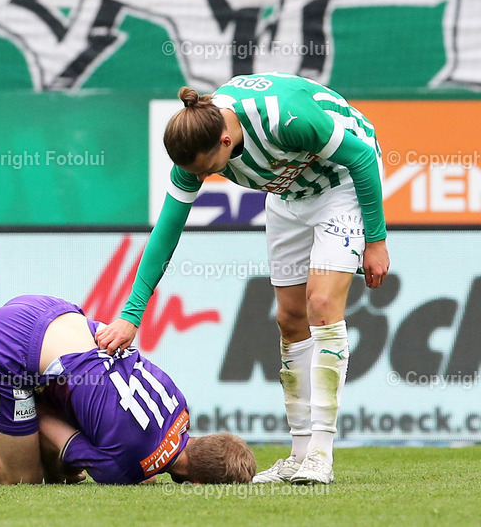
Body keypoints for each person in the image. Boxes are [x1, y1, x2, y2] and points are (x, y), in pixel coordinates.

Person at [95, 72, 390, 485]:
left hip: (342, 185)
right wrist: (131, 314)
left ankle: (321, 454)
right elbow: (166, 231)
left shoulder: (284, 118)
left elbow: (358, 156)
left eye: (209, 170)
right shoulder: (196, 149)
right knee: (289, 319)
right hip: (290, 197)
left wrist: (376, 239)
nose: (202, 177)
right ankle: (299, 454)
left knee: (321, 304)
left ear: (225, 142)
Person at [0, 295, 256, 486]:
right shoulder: (125, 467)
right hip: (9, 347)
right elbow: (48, 425)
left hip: (56, 314)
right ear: (200, 483)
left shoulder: (180, 407)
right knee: (23, 476)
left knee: (57, 465)